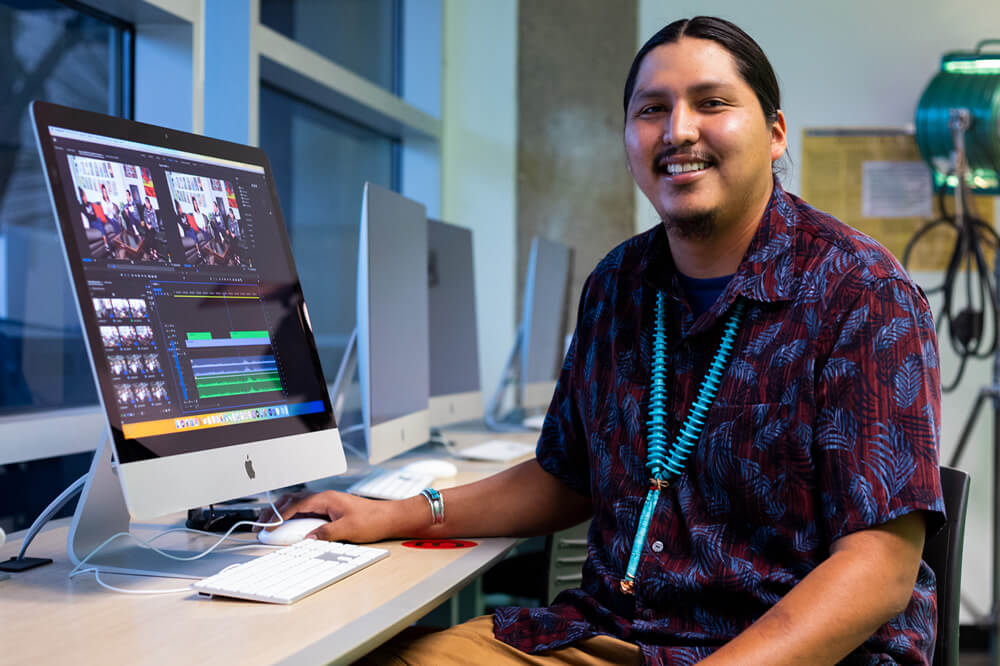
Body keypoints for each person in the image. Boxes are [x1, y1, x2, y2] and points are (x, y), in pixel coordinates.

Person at [264, 17, 945, 664]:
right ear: (627, 138)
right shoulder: (619, 284)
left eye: (711, 102)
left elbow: (879, 568)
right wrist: (396, 513)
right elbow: (564, 476)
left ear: (773, 133)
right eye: (652, 109)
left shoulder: (860, 292)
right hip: (613, 634)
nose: (679, 130)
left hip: (793, 649)